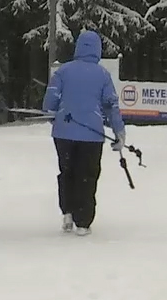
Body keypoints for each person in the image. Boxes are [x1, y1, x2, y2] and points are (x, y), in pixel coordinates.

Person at [42, 29, 126, 236]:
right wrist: (119, 132)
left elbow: (50, 101)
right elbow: (111, 105)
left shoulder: (63, 71)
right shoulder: (103, 75)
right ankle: (83, 220)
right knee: (87, 175)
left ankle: (67, 212)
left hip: (63, 133)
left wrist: (55, 116)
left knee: (67, 172)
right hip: (92, 135)